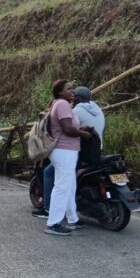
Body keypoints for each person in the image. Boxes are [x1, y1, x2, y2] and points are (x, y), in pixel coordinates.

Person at [32, 85, 105, 219]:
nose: (72, 96)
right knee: (68, 183)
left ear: (79, 98)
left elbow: (68, 128)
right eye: (70, 90)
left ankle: (48, 210)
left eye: (74, 94)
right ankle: (71, 218)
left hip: (75, 151)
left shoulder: (74, 110)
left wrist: (83, 134)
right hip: (96, 150)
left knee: (50, 174)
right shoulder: (98, 110)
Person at [43, 79, 92, 236]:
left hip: (65, 150)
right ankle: (53, 223)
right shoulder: (63, 104)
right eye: (69, 89)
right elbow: (68, 129)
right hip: (64, 150)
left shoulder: (59, 104)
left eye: (73, 88)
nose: (73, 91)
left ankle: (72, 219)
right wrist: (83, 134)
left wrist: (80, 128)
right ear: (60, 92)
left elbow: (66, 127)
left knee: (69, 185)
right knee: (62, 186)